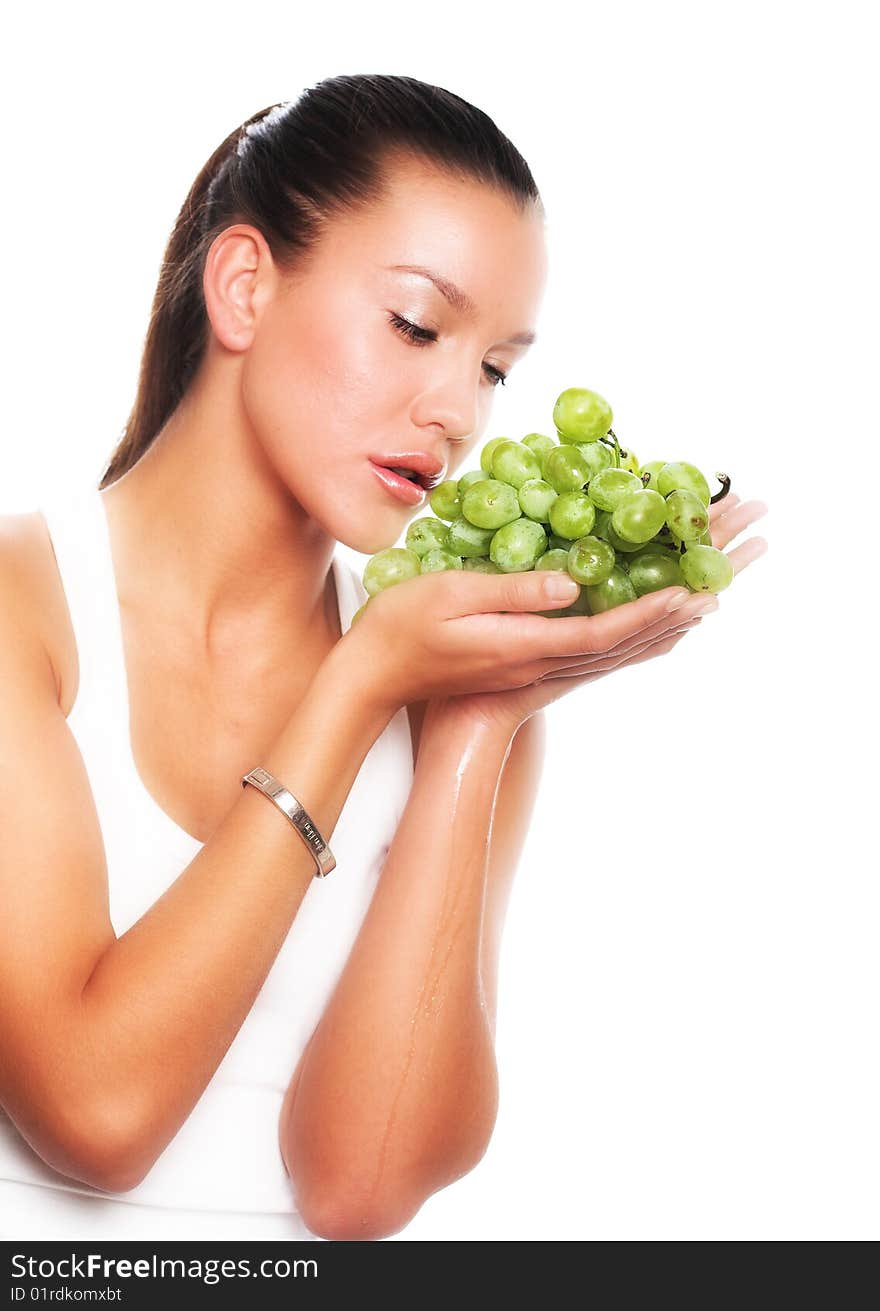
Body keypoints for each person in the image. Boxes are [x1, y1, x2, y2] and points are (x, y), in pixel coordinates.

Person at [0, 74, 767, 1242]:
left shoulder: (447, 679)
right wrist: (357, 684)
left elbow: (358, 1191)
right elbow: (95, 1117)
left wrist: (472, 729)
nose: (459, 409)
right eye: (416, 326)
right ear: (245, 286)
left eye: (495, 367)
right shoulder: (23, 609)